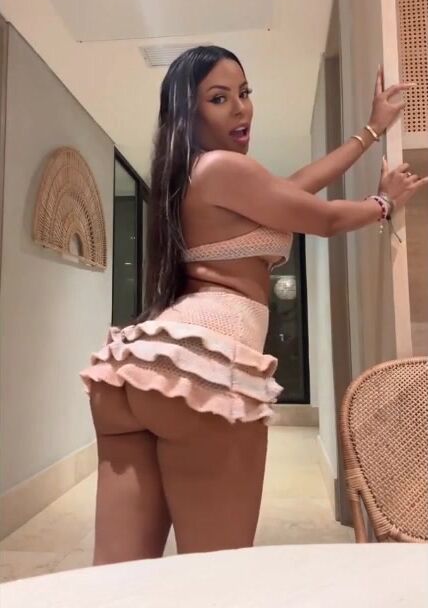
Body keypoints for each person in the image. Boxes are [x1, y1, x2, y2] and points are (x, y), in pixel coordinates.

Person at [81, 46, 427, 565]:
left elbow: (296, 187)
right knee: (218, 574)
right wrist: (384, 203)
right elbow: (325, 219)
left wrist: (370, 132)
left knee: (117, 578)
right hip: (201, 366)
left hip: (133, 372)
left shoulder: (190, 175)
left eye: (244, 92)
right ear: (188, 112)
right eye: (219, 98)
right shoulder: (224, 168)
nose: (241, 108)